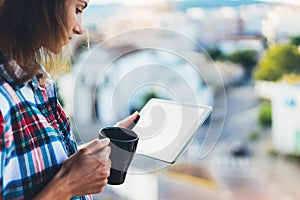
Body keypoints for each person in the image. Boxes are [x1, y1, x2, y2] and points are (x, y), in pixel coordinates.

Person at [0, 0, 139, 199]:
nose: (79, 28)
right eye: (77, 9)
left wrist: (93, 153)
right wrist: (67, 185)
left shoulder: (36, 81)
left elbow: (37, 165)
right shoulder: (4, 99)